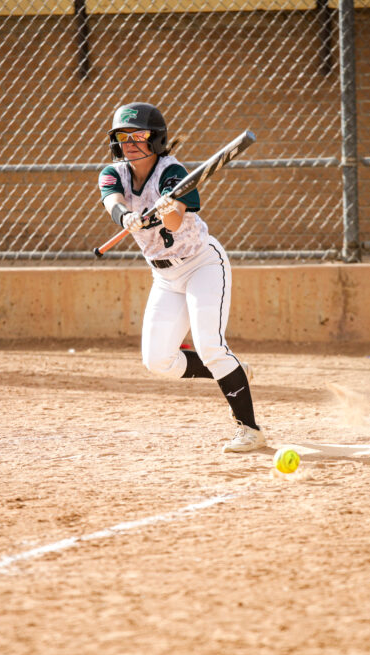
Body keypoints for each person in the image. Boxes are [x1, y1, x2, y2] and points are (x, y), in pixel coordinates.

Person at [97, 102, 267, 452]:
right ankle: (232, 370)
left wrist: (167, 208)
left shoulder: (173, 174)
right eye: (122, 135)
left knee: (210, 346)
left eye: (139, 135)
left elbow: (175, 222)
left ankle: (250, 429)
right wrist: (127, 216)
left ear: (155, 139)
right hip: (164, 277)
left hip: (202, 264)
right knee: (157, 360)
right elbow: (112, 200)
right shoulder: (114, 173)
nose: (130, 142)